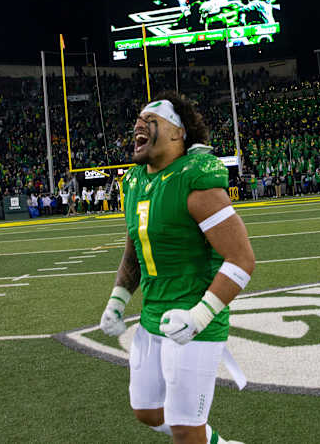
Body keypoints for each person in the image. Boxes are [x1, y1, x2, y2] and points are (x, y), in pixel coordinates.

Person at [99, 93, 255, 444]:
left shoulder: (195, 180)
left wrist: (200, 316)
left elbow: (242, 259)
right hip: (153, 315)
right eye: (137, 121)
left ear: (177, 133)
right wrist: (118, 298)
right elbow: (135, 246)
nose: (138, 126)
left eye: (150, 120)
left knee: (185, 429)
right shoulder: (137, 180)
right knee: (148, 411)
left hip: (193, 319)